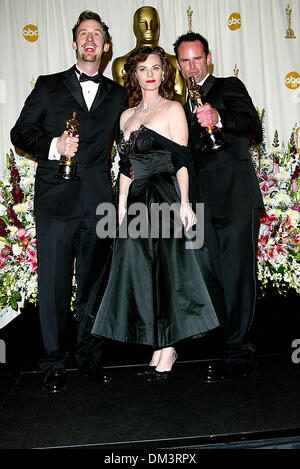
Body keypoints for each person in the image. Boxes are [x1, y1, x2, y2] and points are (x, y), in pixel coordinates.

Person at [10, 10, 128, 393]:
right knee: (55, 286)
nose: (90, 39)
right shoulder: (48, 85)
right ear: (75, 43)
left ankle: (89, 356)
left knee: (94, 286)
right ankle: (53, 362)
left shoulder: (117, 94)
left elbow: (127, 145)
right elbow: (20, 132)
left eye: (97, 34)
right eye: (83, 34)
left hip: (99, 204)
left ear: (107, 47)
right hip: (56, 202)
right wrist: (53, 146)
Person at [90, 46, 220, 381]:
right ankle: (157, 342)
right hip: (135, 200)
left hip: (164, 195)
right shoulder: (125, 116)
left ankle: (167, 348)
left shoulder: (174, 109)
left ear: (165, 73)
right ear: (134, 74)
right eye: (144, 68)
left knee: (168, 273)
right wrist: (120, 207)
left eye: (157, 68)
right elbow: (124, 166)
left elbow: (182, 161)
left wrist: (186, 203)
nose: (151, 74)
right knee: (140, 273)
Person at [174, 32, 265, 383]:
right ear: (179, 66)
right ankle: (229, 345)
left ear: (208, 58)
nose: (192, 65)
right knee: (214, 277)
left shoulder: (228, 86)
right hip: (202, 203)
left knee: (239, 276)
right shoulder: (180, 107)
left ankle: (239, 352)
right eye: (185, 60)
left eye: (197, 58)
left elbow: (252, 126)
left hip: (235, 195)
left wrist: (219, 117)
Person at [112, 6, 185, 105]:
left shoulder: (173, 61)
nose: (148, 28)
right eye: (143, 23)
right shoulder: (120, 63)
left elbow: (181, 98)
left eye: (153, 23)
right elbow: (121, 101)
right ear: (135, 27)